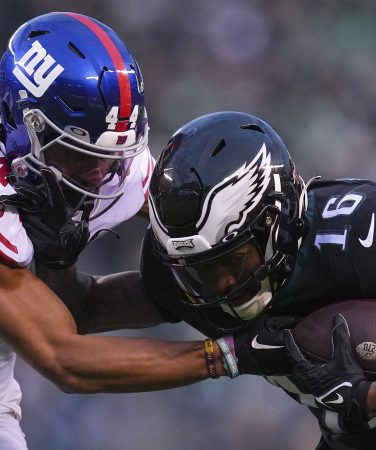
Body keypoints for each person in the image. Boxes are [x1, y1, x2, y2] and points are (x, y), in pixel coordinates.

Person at [0, 14, 274, 450]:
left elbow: (209, 218)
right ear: (20, 125)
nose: (101, 174)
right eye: (79, 154)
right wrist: (231, 354)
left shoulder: (107, 163)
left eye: (111, 155)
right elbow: (66, 360)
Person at [139, 111, 376, 449]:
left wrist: (375, 398)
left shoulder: (363, 233)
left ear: (276, 222)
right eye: (199, 271)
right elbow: (78, 350)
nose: (224, 284)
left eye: (233, 259)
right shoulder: (174, 276)